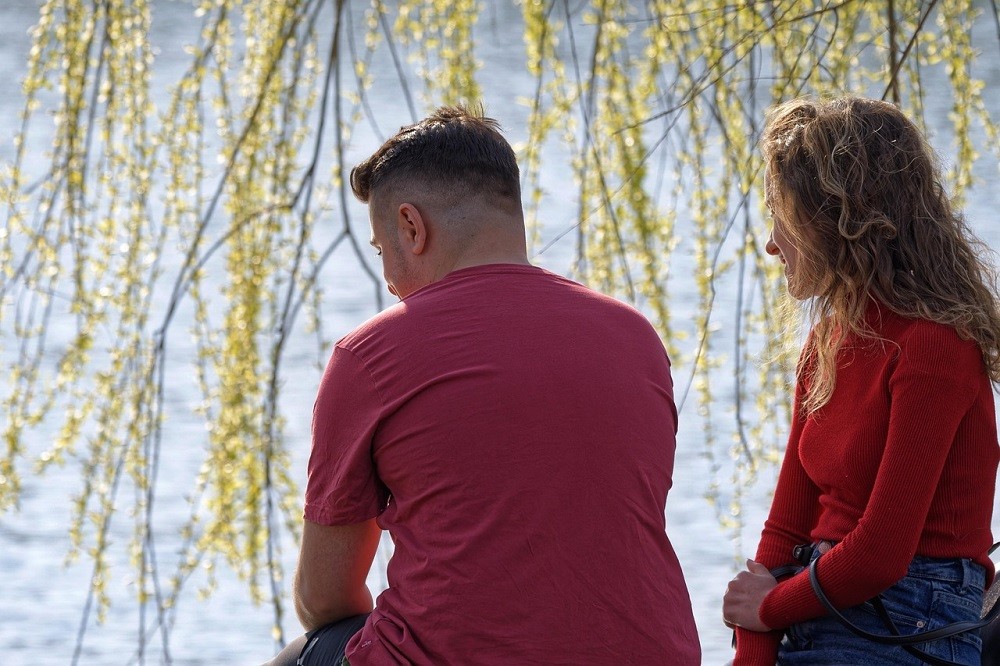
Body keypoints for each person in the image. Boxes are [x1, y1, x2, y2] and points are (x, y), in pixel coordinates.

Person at [265, 105, 701, 665]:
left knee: (305, 653)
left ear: (411, 227)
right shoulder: (636, 338)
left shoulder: (371, 355)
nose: (389, 281)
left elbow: (325, 597)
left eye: (381, 250)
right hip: (653, 653)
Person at [723, 96, 1000, 665]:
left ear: (839, 221)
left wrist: (768, 609)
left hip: (907, 622)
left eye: (784, 215)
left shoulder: (935, 345)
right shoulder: (826, 345)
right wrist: (754, 648)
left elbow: (881, 555)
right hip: (814, 603)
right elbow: (783, 532)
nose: (771, 243)